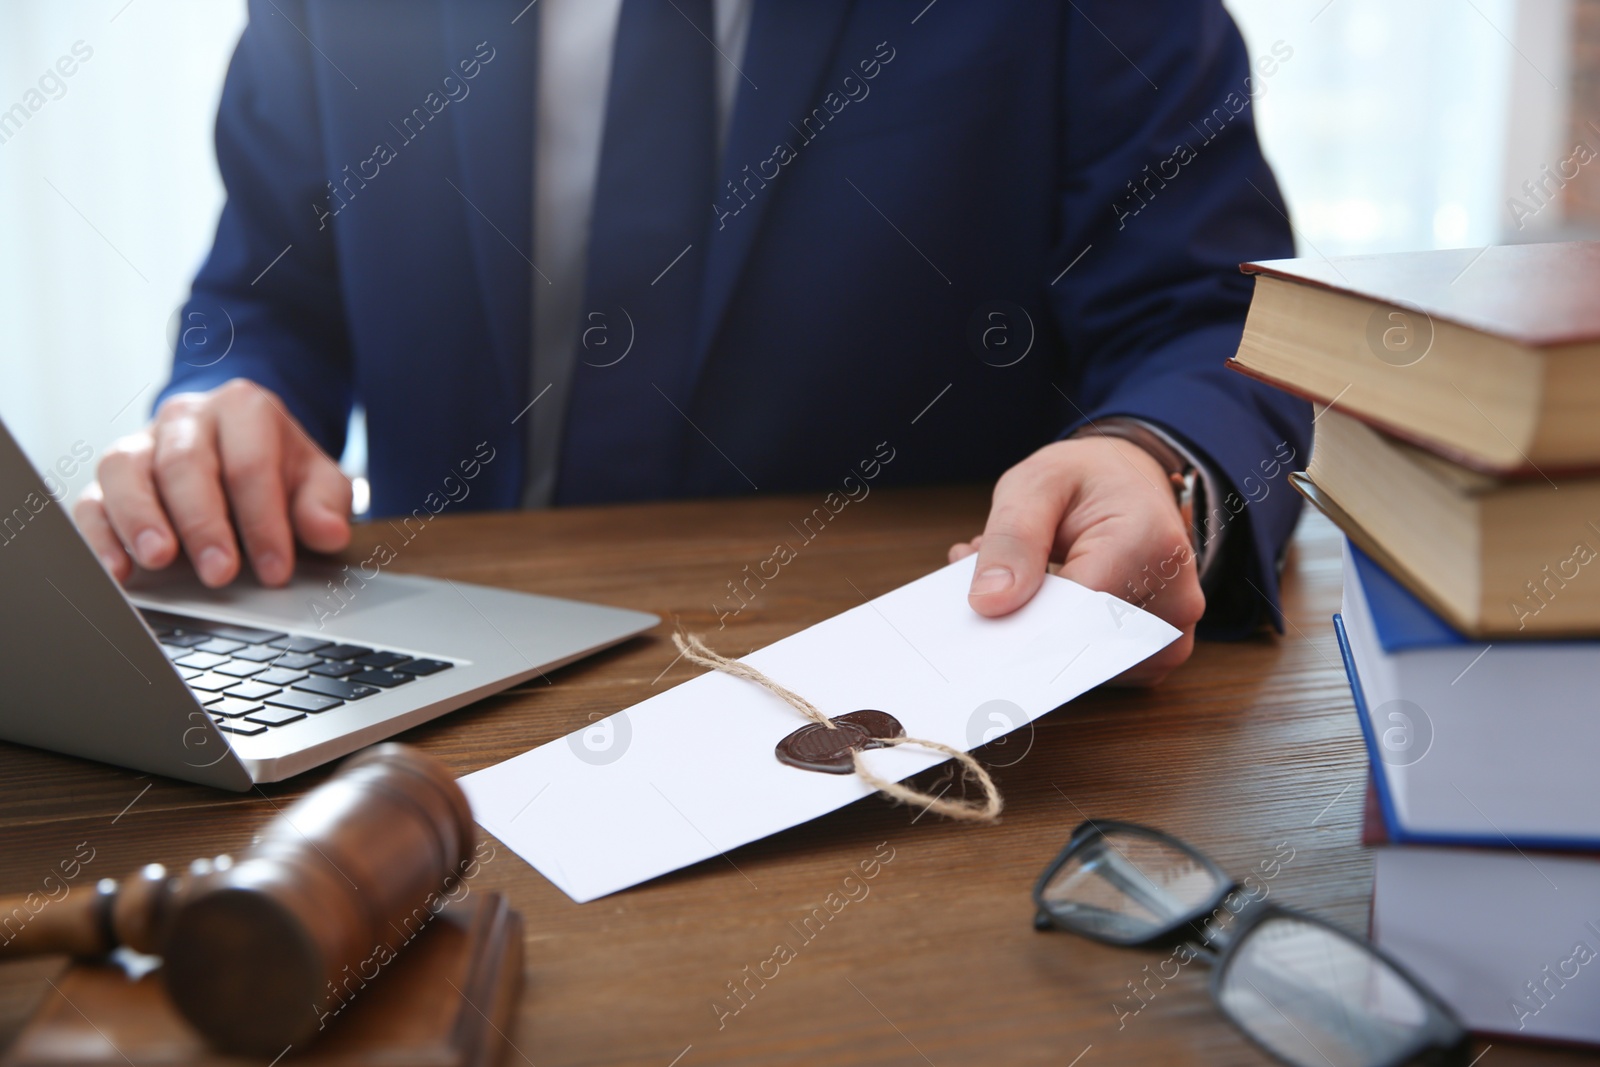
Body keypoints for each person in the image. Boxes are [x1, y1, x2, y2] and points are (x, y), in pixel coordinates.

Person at [75, 0, 1309, 684]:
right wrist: (222, 399)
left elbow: (1212, 315)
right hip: (427, 691)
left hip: (894, 699)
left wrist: (1161, 460)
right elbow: (267, 296)